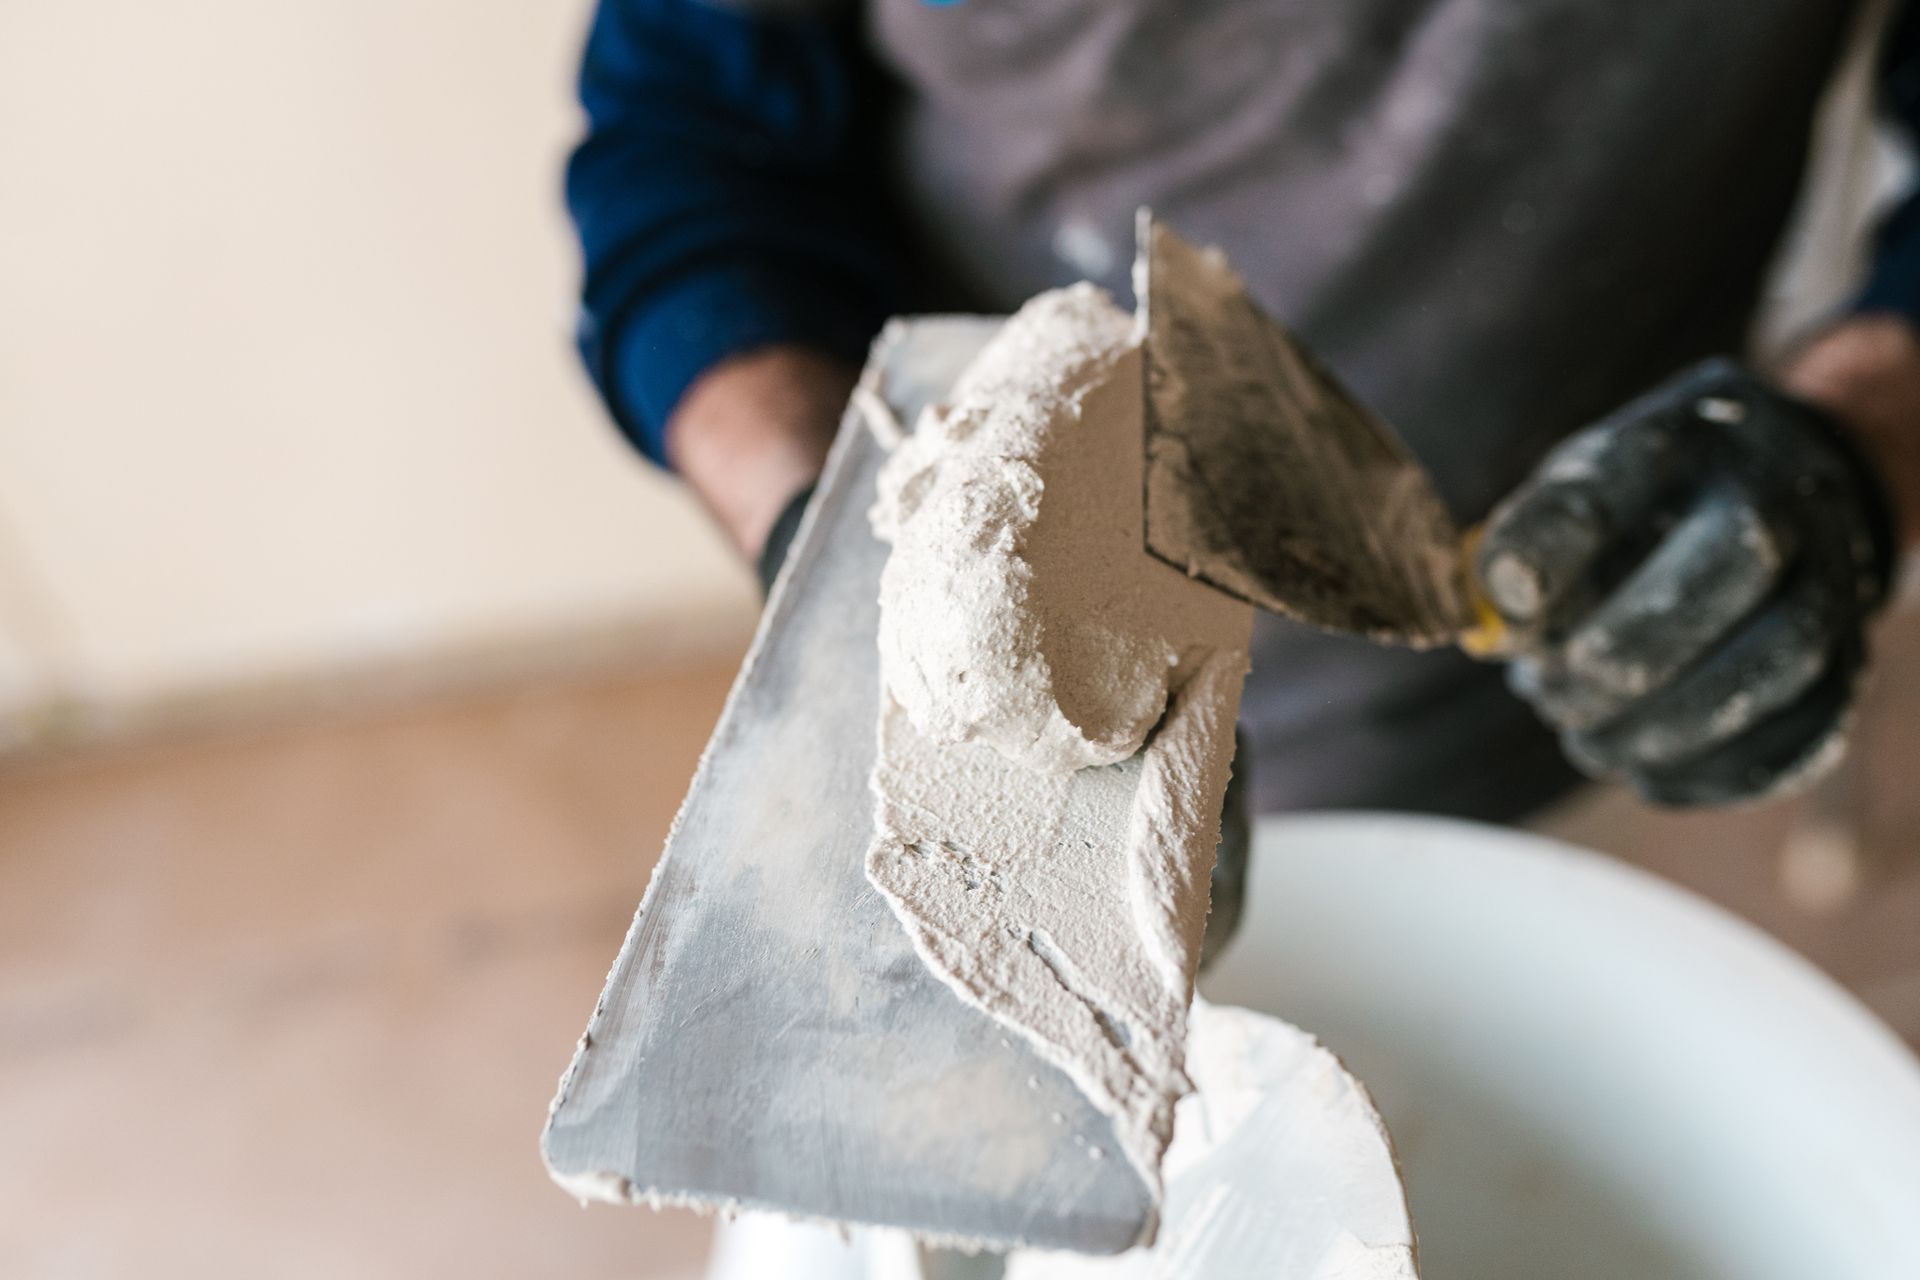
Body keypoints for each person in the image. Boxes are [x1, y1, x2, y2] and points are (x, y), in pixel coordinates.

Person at [565, 0, 1920, 821]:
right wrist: (843, 558)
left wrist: (1851, 446)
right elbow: (695, 139)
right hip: (998, 640)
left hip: (1610, 635)